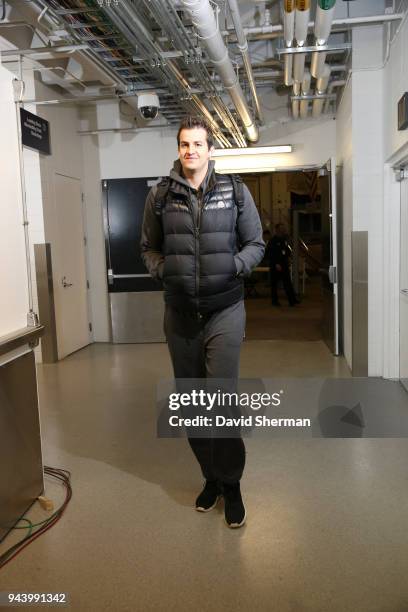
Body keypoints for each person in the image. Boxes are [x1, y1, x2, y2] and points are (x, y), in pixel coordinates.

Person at [141, 116, 264, 528]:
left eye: (197, 144)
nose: (190, 150)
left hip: (225, 310)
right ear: (178, 149)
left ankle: (232, 486)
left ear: (210, 149)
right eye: (184, 144)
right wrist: (164, 270)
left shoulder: (235, 192)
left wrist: (233, 266)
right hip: (179, 315)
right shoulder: (160, 195)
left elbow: (256, 244)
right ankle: (210, 478)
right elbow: (147, 247)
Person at [266, 223, 299, 306]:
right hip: (276, 265)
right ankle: (274, 301)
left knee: (288, 283)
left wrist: (288, 256)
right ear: (277, 230)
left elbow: (286, 251)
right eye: (282, 228)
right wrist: (276, 263)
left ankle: (292, 300)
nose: (284, 230)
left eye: (284, 228)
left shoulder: (284, 240)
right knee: (274, 284)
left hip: (284, 265)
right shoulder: (273, 241)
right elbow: (270, 253)